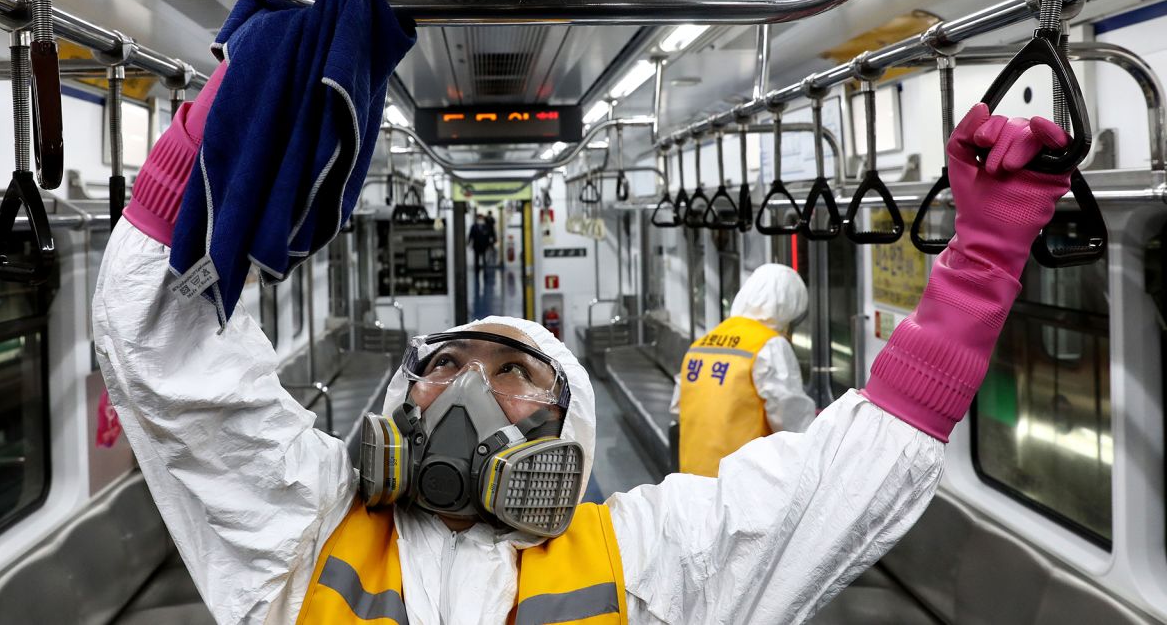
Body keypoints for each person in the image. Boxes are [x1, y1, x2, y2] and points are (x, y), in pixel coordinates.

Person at [95, 79, 1074, 624]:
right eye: (443, 364)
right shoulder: (304, 522)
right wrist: (211, 140)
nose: (466, 386)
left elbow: (839, 478)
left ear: (568, 422)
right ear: (401, 398)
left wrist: (979, 261)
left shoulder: (651, 552)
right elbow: (164, 358)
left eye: (513, 371)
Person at [671, 263, 816, 475]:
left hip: (693, 477)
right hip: (741, 480)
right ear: (789, 307)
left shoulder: (702, 343)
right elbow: (794, 422)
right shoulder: (769, 345)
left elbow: (678, 407)